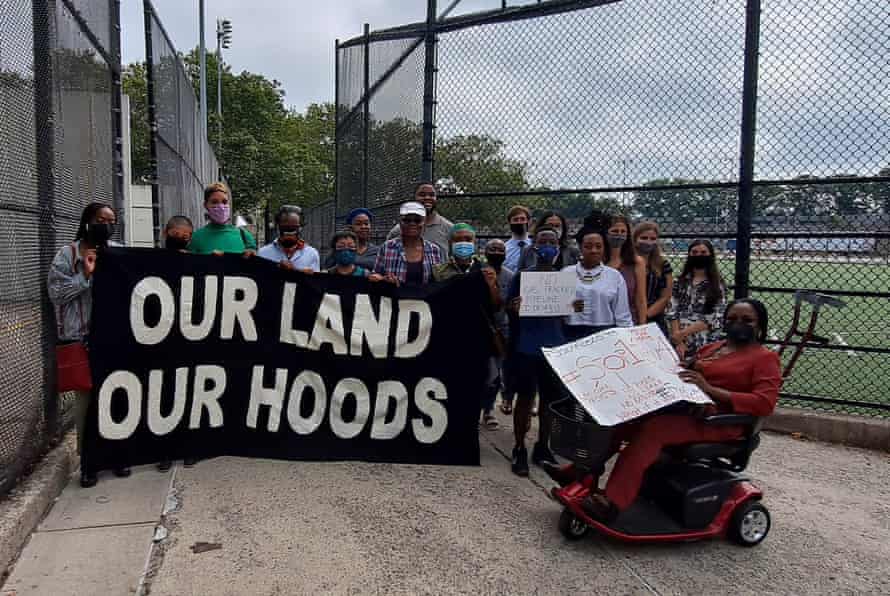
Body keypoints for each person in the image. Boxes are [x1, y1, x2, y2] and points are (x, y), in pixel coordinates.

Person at [577, 299, 782, 521]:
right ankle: (578, 472)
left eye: (747, 320)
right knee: (624, 421)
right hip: (690, 411)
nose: (738, 324)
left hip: (721, 422)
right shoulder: (713, 348)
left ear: (760, 325)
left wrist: (709, 389)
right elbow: (687, 373)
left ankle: (613, 502)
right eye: (732, 319)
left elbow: (765, 402)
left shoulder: (765, 358)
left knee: (654, 430)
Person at [47, 202, 130, 488]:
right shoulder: (67, 255)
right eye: (100, 219)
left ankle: (118, 456)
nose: (106, 225)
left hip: (114, 338)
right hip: (82, 340)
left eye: (111, 220)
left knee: (117, 399)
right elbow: (56, 294)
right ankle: (89, 463)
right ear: (87, 222)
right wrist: (86, 276)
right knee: (87, 406)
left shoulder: (119, 251)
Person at [506, 226, 566, 476]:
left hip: (555, 347)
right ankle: (519, 447)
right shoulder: (522, 277)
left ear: (558, 248)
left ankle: (542, 446)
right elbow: (509, 308)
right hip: (528, 347)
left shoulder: (564, 278)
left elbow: (571, 312)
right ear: (534, 247)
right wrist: (515, 307)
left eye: (552, 241)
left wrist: (575, 305)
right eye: (543, 241)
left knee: (549, 403)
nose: (548, 246)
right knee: (525, 398)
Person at [564, 219, 633, 341]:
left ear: (604, 248)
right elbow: (555, 307)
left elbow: (622, 315)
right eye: (588, 246)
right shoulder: (566, 273)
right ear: (580, 247)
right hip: (570, 334)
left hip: (605, 335)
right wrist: (569, 306)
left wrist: (627, 339)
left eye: (598, 246)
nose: (593, 250)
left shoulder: (614, 276)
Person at [666, 239, 727, 359]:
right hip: (678, 340)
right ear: (689, 255)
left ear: (710, 255)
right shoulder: (679, 282)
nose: (699, 255)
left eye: (703, 252)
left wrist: (682, 334)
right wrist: (678, 341)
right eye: (694, 252)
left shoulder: (717, 285)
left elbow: (714, 317)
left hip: (704, 342)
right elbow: (672, 310)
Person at [483, 239, 514, 429]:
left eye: (500, 249)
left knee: (495, 374)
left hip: (501, 330)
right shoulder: (478, 273)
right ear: (485, 253)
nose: (496, 252)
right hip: (479, 328)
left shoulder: (511, 276)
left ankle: (488, 410)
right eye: (492, 249)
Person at [374, 201, 444, 284]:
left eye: (417, 220)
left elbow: (439, 281)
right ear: (400, 222)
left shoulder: (434, 250)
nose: (412, 223)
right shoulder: (387, 247)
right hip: (394, 296)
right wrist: (383, 279)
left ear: (424, 223)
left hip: (425, 296)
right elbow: (375, 275)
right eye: (407, 220)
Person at [187, 182, 257, 256]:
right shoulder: (196, 238)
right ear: (205, 205)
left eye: (224, 202)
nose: (221, 206)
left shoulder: (244, 236)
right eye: (214, 202)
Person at [387, 182, 453, 255]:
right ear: (414, 198)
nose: (427, 197)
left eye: (431, 195)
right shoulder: (397, 231)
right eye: (422, 195)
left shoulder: (449, 229)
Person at [605, 214, 647, 326]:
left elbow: (641, 298)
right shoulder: (596, 262)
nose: (619, 234)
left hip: (628, 322)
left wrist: (642, 326)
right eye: (615, 231)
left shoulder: (636, 262)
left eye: (623, 231)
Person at [634, 222, 673, 336]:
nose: (648, 242)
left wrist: (645, 316)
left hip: (653, 316)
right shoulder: (627, 263)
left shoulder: (662, 264)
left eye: (652, 238)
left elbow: (665, 297)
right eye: (644, 238)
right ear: (635, 239)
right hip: (629, 314)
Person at [258, 205, 321, 272]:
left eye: (293, 227)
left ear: (300, 228)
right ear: (277, 227)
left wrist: (295, 272)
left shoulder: (311, 253)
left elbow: (315, 281)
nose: (289, 231)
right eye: (284, 227)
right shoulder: (263, 253)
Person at [504, 205, 532, 272]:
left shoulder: (536, 246)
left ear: (529, 222)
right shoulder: (504, 249)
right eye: (515, 219)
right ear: (509, 223)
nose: (519, 222)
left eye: (522, 219)